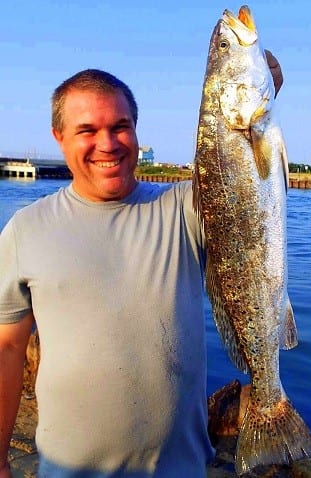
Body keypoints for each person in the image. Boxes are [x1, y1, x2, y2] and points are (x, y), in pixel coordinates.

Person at [0, 52, 283, 478]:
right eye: (87, 130)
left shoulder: (186, 208)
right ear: (59, 137)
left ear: (135, 129)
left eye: (119, 126)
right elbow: (7, 348)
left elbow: (237, 182)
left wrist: (258, 90)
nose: (107, 143)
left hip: (181, 468)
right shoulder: (25, 229)